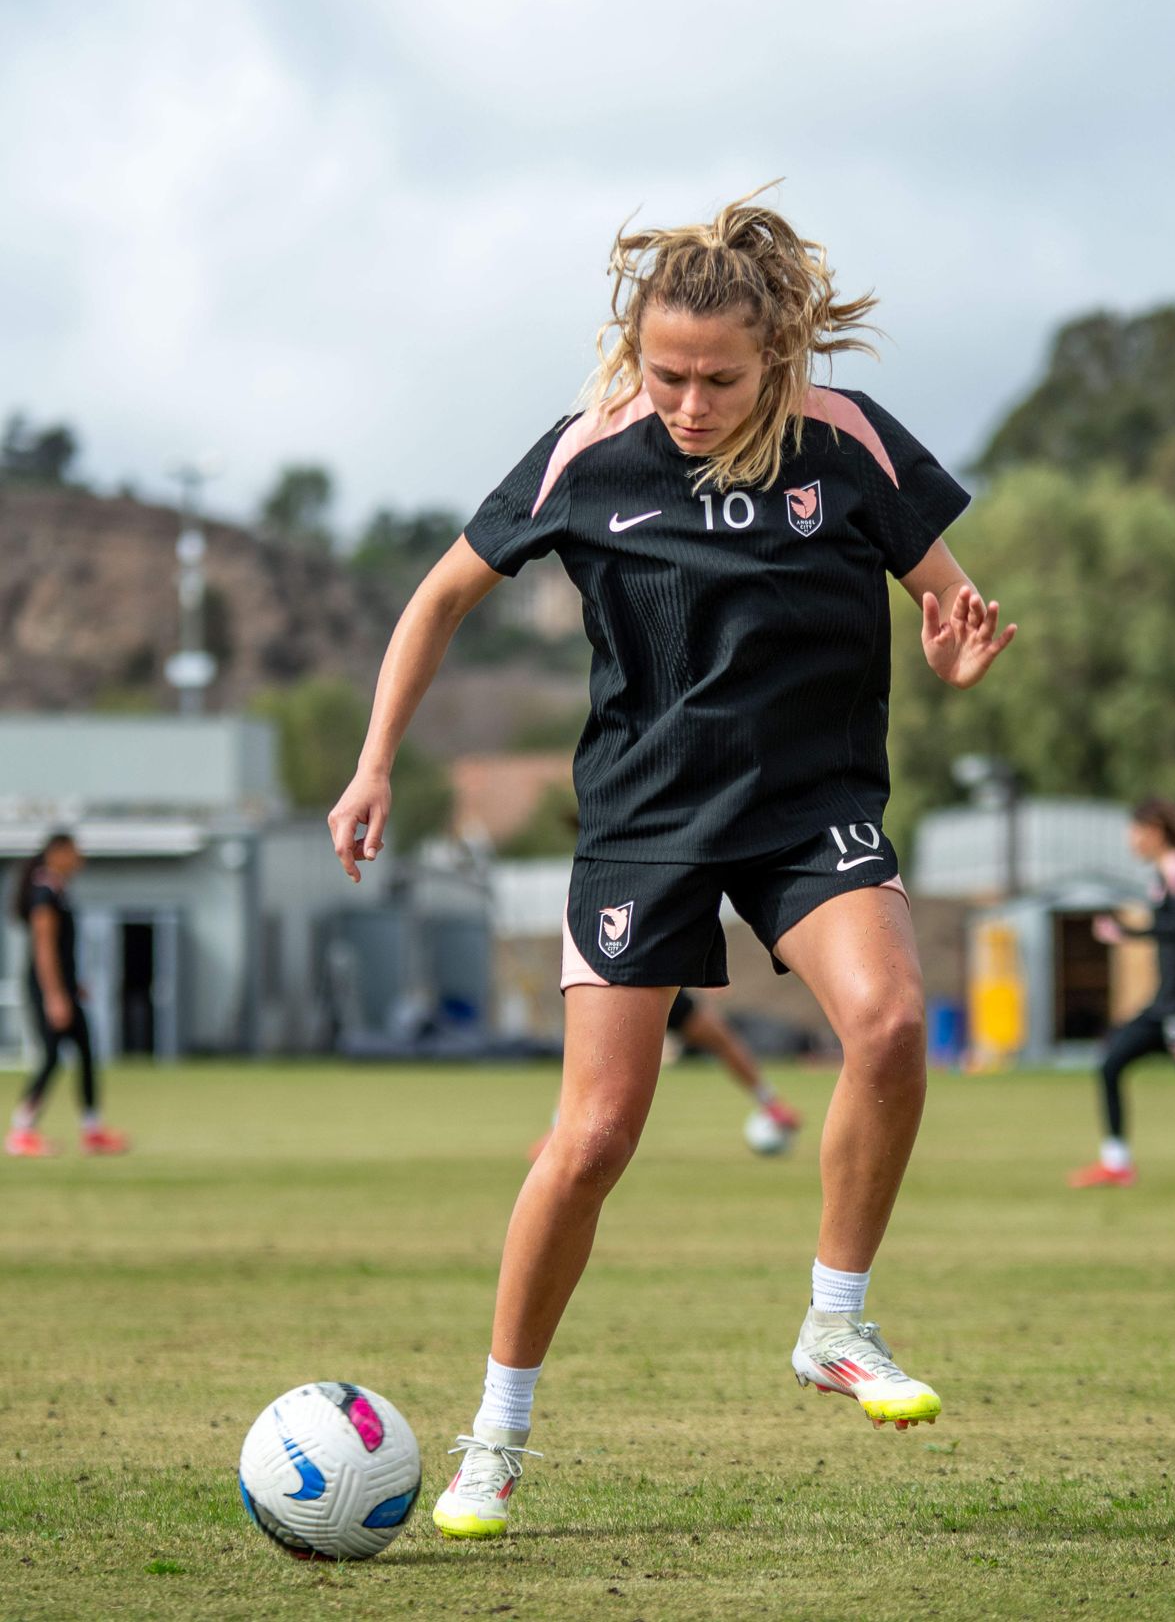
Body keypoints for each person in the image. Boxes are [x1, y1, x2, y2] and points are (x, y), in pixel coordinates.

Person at [328, 189, 1015, 1539]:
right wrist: (373, 763)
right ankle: (495, 1435)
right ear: (633, 354)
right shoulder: (588, 451)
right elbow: (440, 596)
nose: (691, 405)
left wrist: (954, 654)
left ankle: (835, 1324)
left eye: (720, 380)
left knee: (888, 1025)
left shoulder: (849, 441)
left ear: (777, 358)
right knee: (594, 1138)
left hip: (811, 808)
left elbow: (950, 601)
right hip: (644, 823)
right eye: (667, 375)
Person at [1069, 799, 1175, 1188]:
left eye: (1136, 832)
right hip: (1164, 1004)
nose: (1131, 840)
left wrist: (1130, 932)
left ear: (1156, 831)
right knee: (1111, 1062)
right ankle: (1116, 1163)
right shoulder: (1162, 876)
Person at [526, 987, 802, 1161]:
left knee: (721, 1039)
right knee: (591, 1057)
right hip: (621, 980)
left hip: (664, 980)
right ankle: (558, 1132)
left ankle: (772, 1105)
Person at [4, 834, 130, 1158]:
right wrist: (55, 995)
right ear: (57, 852)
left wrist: (74, 983)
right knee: (51, 1057)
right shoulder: (44, 893)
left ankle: (92, 1130)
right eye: (75, 852)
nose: (80, 858)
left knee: (86, 1052)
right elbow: (44, 949)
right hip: (49, 987)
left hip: (64, 986)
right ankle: (20, 1131)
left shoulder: (59, 890)